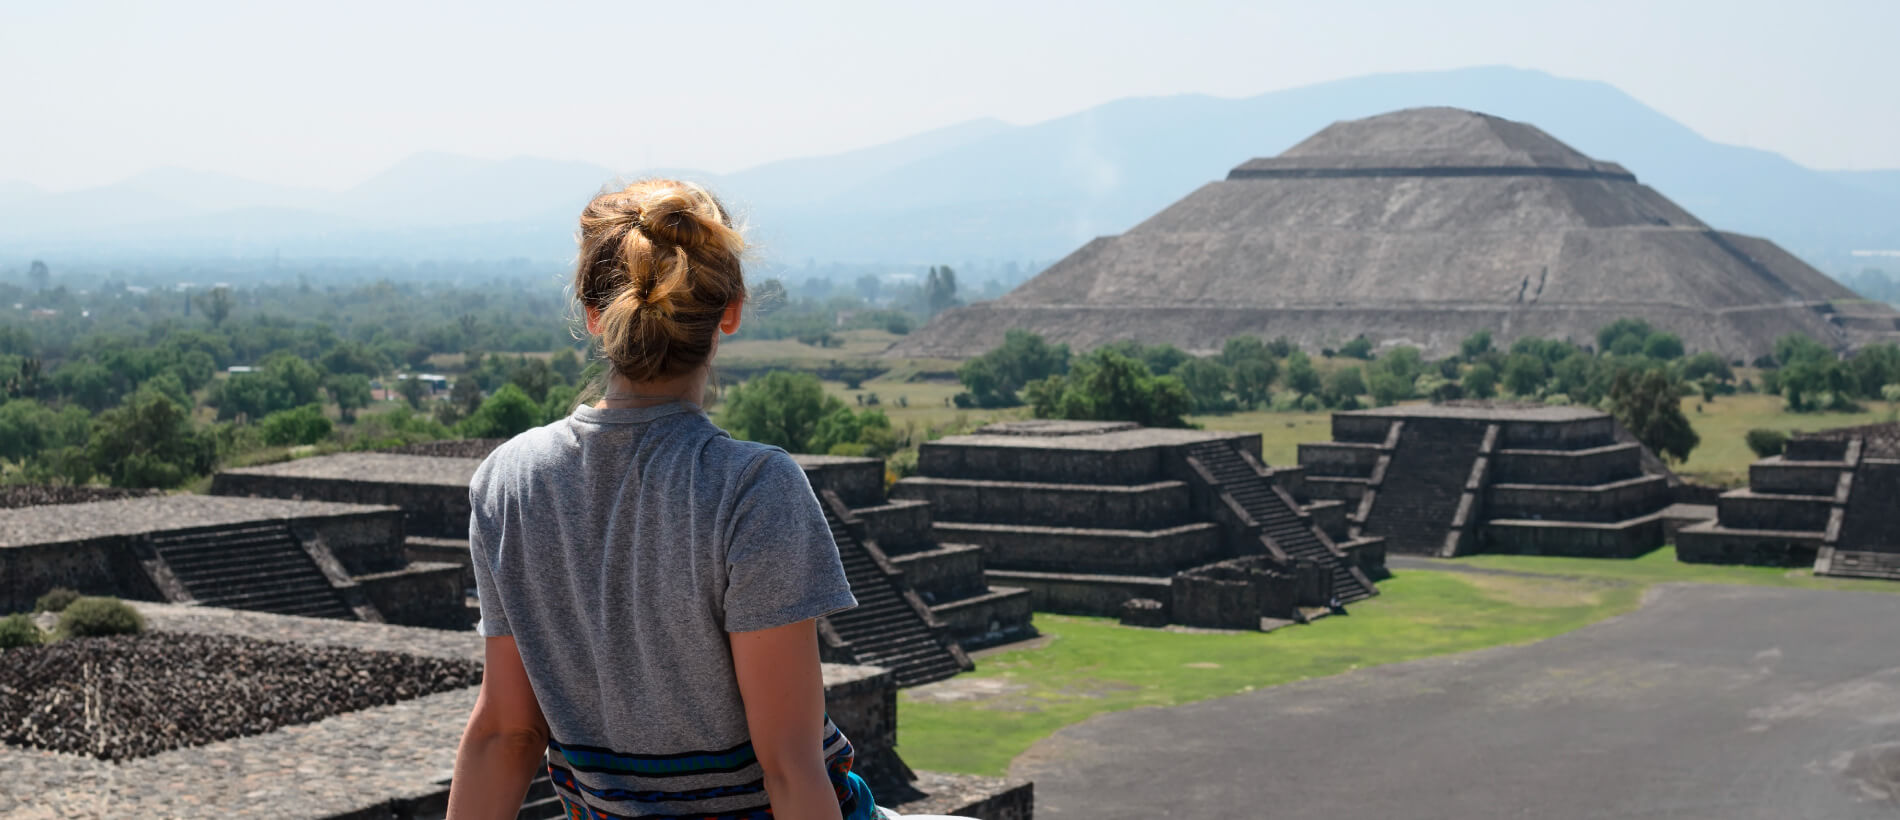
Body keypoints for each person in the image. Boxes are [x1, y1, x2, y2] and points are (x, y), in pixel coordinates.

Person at [448, 180, 874, 820]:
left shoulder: (509, 480)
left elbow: (506, 734)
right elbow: (789, 768)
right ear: (729, 313)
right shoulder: (752, 487)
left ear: (595, 316)